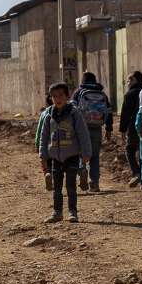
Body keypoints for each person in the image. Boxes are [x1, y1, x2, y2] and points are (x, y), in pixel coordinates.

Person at [39, 82, 91, 224]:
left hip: (72, 155)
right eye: (54, 96)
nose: (58, 99)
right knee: (57, 187)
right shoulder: (49, 115)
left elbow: (83, 134)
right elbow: (44, 137)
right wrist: (43, 155)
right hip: (55, 157)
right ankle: (57, 212)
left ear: (67, 96)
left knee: (70, 186)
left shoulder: (75, 114)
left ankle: (72, 212)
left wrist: (86, 152)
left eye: (61, 95)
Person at [71, 71, 113, 192]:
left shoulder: (78, 92)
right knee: (94, 156)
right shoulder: (102, 94)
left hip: (81, 128)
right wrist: (109, 129)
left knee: (80, 153)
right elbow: (108, 112)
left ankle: (82, 169)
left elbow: (72, 110)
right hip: (97, 128)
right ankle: (94, 183)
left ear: (82, 81)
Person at [117, 71, 142, 187]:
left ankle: (136, 173)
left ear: (134, 80)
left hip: (134, 127)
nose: (127, 83)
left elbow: (125, 114)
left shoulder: (130, 94)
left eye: (129, 80)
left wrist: (122, 130)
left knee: (129, 150)